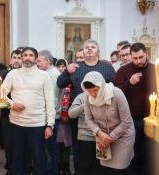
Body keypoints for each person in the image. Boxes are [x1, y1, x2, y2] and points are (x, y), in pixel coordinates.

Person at [57, 39, 116, 175]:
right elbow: (60, 84)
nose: (89, 49)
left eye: (93, 47)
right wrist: (66, 72)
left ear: (98, 52)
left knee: (101, 149)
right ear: (82, 52)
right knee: (79, 151)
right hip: (79, 115)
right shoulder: (75, 67)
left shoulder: (107, 68)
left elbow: (115, 90)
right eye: (86, 47)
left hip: (102, 116)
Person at [2, 47, 55, 175]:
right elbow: (0, 94)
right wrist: (12, 104)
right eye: (24, 55)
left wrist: (50, 125)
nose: (27, 57)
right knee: (18, 158)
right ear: (21, 58)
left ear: (36, 59)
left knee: (38, 159)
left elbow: (50, 101)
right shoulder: (13, 74)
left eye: (30, 55)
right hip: (17, 123)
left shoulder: (44, 75)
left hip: (37, 123)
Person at [114, 43, 156, 175]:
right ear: (131, 57)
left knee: (149, 153)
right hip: (130, 119)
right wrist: (129, 83)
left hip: (151, 119)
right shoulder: (123, 71)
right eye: (135, 58)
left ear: (147, 54)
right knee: (132, 153)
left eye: (141, 57)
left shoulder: (155, 69)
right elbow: (116, 93)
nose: (138, 61)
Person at [82, 71, 135, 175]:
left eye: (95, 90)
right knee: (106, 170)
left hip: (123, 135)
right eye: (89, 91)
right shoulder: (87, 97)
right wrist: (101, 134)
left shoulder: (117, 93)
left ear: (101, 86)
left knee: (120, 169)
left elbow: (126, 121)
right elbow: (88, 120)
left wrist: (110, 138)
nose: (93, 94)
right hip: (103, 136)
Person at [0, 49, 33, 175]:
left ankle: (26, 168)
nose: (17, 60)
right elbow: (1, 94)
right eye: (14, 57)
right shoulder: (4, 74)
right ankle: (10, 168)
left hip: (26, 114)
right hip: (7, 114)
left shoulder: (28, 74)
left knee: (27, 143)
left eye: (19, 57)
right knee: (9, 144)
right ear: (10, 59)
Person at [37, 50, 63, 175]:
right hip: (46, 116)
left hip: (51, 117)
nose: (37, 64)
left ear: (47, 61)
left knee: (50, 150)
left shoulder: (53, 75)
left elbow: (52, 98)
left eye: (39, 61)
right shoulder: (47, 74)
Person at [55, 59, 72, 175]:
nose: (61, 68)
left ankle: (66, 165)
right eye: (59, 66)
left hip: (67, 117)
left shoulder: (69, 79)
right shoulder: (54, 80)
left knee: (66, 141)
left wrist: (65, 112)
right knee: (56, 141)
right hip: (56, 115)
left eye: (63, 66)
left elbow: (70, 97)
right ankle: (57, 165)